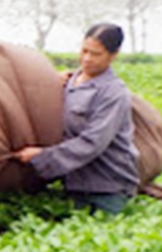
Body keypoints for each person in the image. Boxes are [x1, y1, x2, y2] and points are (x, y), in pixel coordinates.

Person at [13, 23, 139, 215]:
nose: (87, 59)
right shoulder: (69, 80)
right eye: (84, 51)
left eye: (96, 54)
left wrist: (43, 157)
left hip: (107, 188)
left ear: (113, 55)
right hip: (74, 184)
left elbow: (93, 142)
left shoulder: (114, 93)